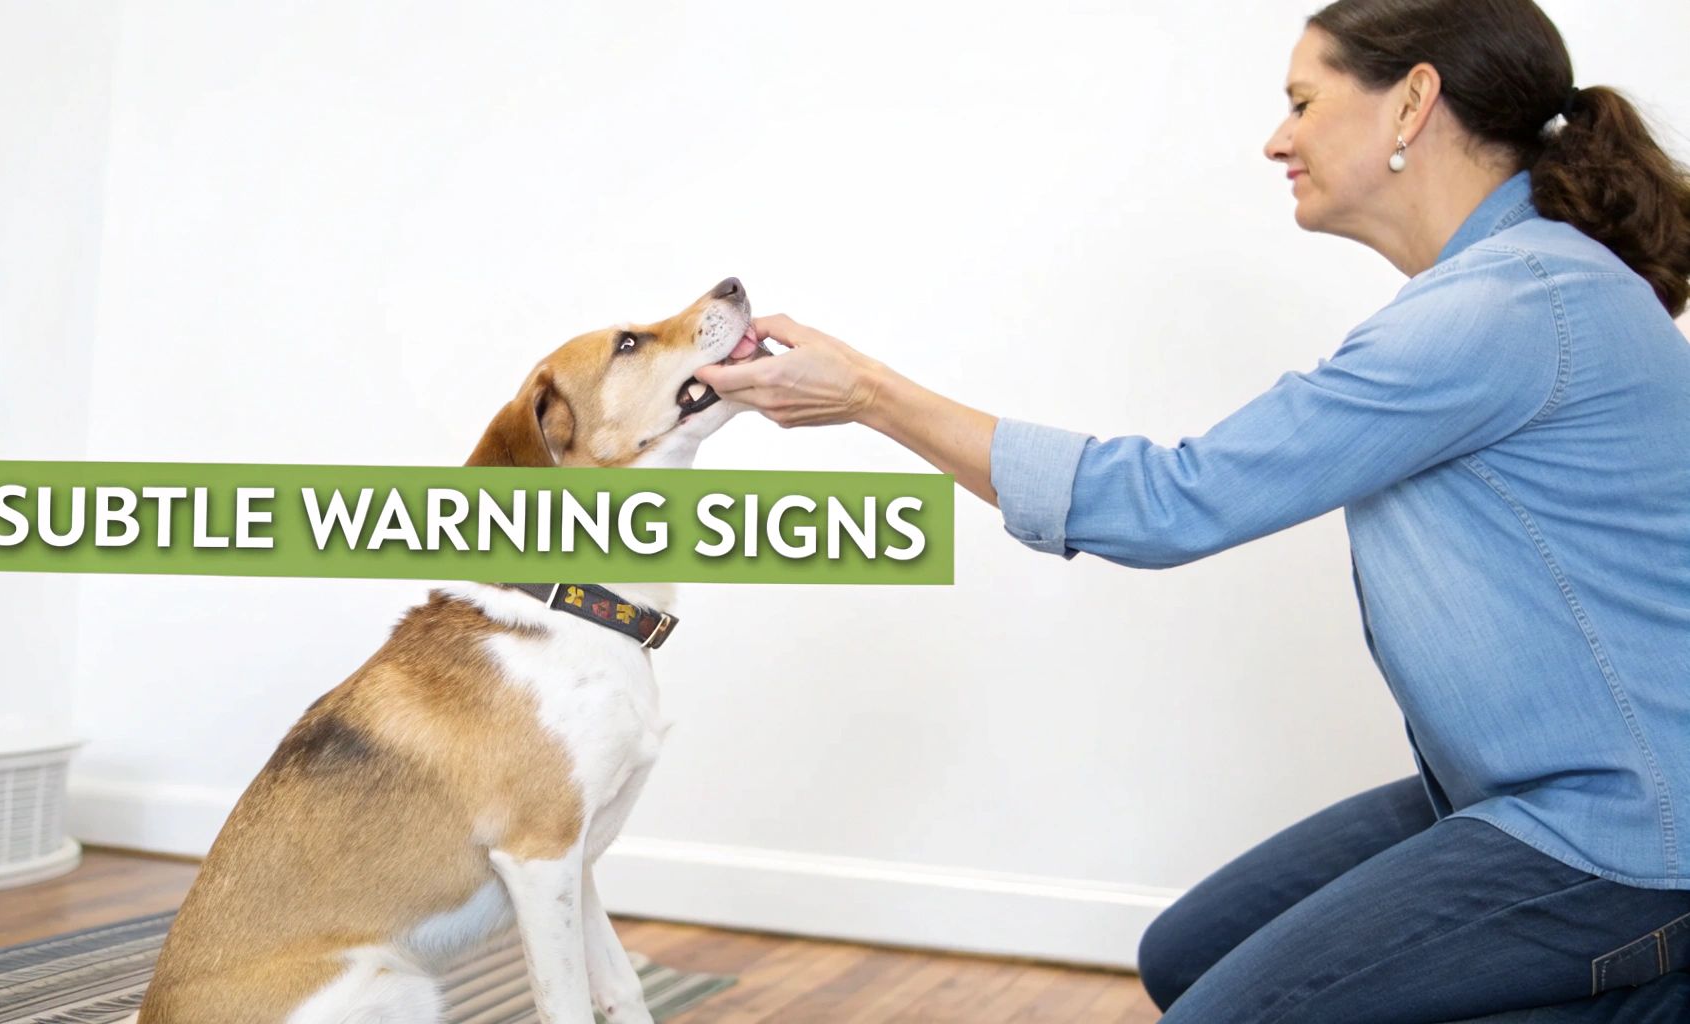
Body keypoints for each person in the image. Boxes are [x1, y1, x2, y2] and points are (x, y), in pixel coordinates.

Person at [693, 0, 1690, 1019]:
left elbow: (1169, 503)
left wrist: (869, 395)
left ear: (1411, 104)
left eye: (1301, 102)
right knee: (1187, 951)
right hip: (1516, 795)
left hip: (1621, 832)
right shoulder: (1516, 289)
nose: (1276, 138)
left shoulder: (1504, 306)